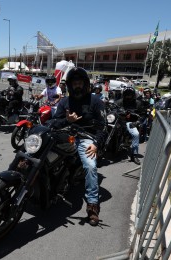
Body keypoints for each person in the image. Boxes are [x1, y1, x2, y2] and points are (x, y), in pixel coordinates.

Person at [52, 67, 107, 227]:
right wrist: (67, 121)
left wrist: (95, 143)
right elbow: (54, 123)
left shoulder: (96, 101)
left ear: (85, 84)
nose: (77, 85)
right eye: (74, 83)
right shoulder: (64, 102)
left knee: (90, 166)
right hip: (65, 136)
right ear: (69, 85)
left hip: (86, 138)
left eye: (80, 82)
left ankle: (92, 206)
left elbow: (103, 127)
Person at [115, 86, 144, 165]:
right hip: (118, 121)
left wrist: (137, 122)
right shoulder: (119, 102)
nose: (128, 96)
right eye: (126, 94)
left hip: (129, 122)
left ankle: (134, 155)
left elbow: (142, 115)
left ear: (133, 95)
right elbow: (113, 108)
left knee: (136, 134)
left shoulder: (137, 103)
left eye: (130, 94)